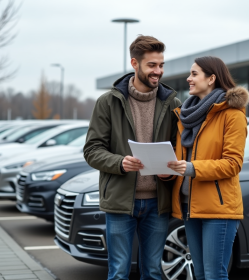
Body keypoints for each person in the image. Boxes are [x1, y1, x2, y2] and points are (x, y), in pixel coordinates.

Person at [84, 35, 181, 280]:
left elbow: (179, 151)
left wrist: (170, 171)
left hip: (157, 203)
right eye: (152, 65)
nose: (158, 71)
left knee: (153, 273)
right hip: (120, 201)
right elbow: (92, 149)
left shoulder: (172, 103)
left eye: (161, 65)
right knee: (118, 273)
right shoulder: (108, 102)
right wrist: (119, 163)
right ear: (135, 64)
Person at [166, 56, 249, 280]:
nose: (188, 79)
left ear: (211, 78)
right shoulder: (187, 114)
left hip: (218, 209)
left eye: (194, 74)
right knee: (201, 274)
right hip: (189, 206)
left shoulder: (232, 114)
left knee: (214, 275)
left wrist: (192, 168)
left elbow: (233, 164)